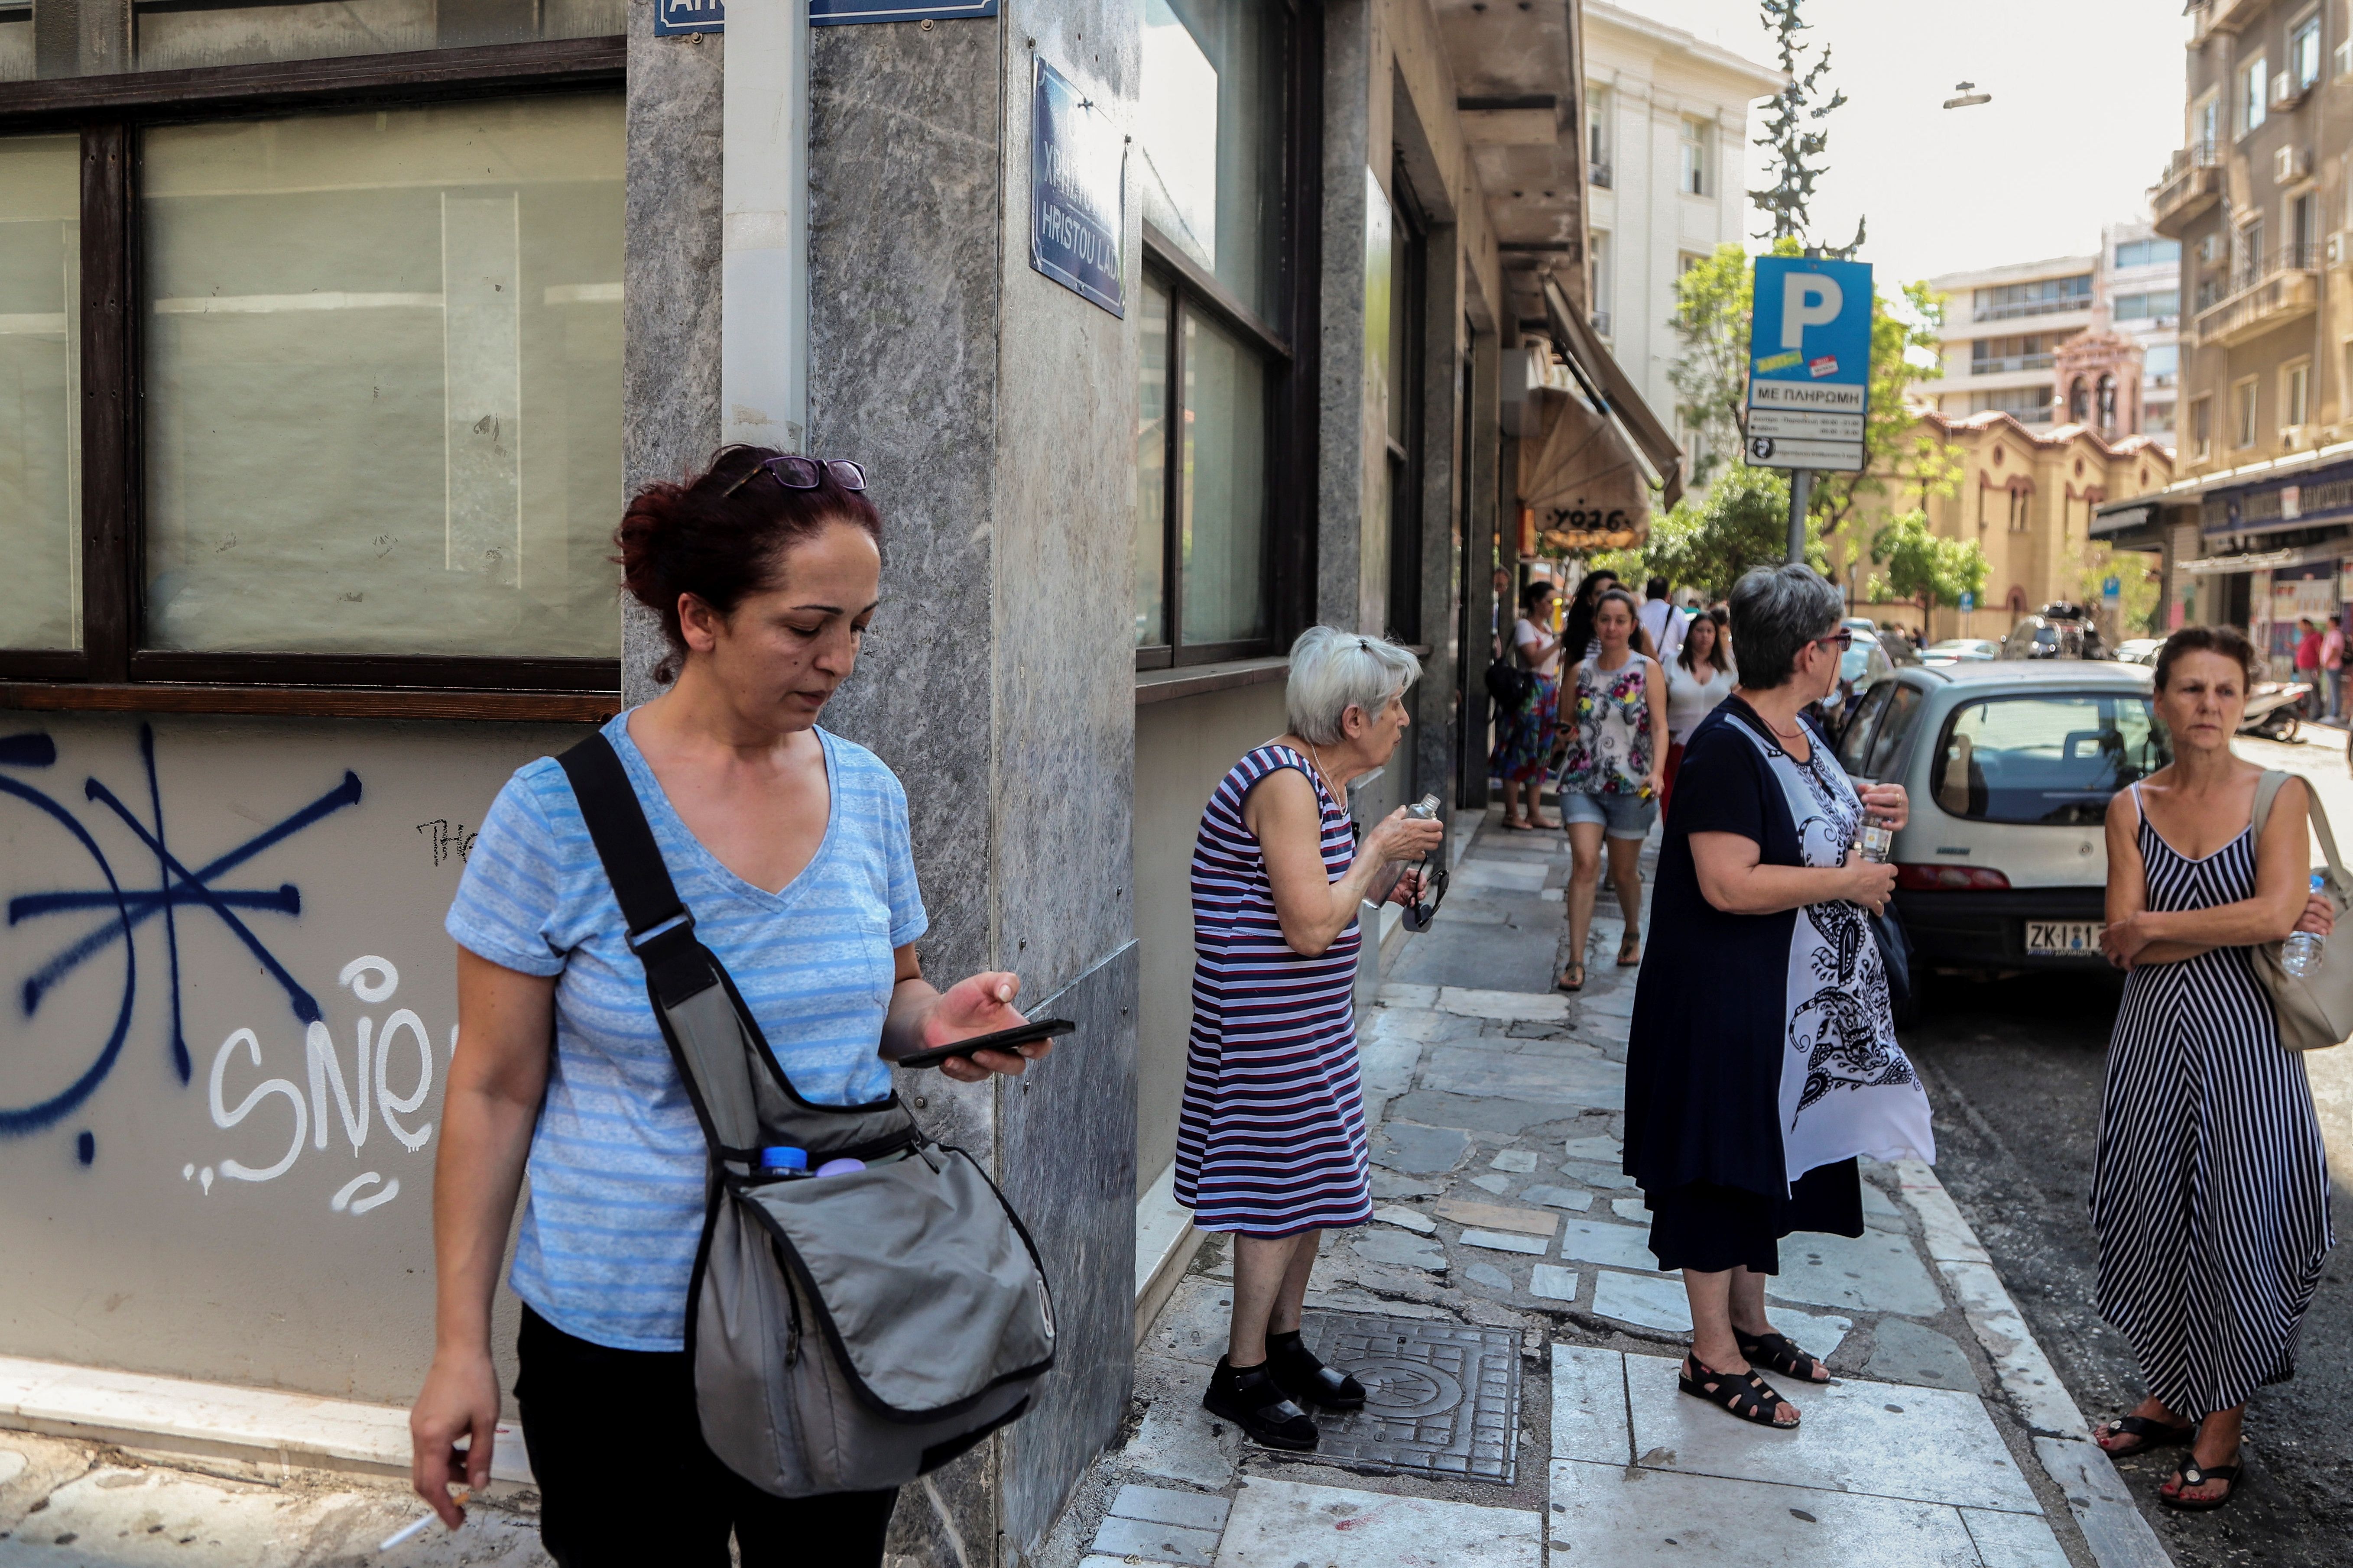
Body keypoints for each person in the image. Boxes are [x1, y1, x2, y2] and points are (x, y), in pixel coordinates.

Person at [409, 448, 1052, 1567]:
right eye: (807, 626)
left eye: (861, 625)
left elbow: (893, 995)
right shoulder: (555, 815)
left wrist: (935, 1021)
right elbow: (492, 1087)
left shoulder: (868, 793)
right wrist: (456, 1345)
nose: (839, 660)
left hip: (831, 1309)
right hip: (618, 1335)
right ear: (698, 616)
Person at [1622, 563, 1933, 1430]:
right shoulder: (1727, 747)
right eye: (1839, 640)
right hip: (1725, 997)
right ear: (1807, 652)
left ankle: (1750, 1325)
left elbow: (1808, 832)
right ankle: (1709, 1353)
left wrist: (1875, 813)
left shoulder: (1799, 732)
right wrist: (1848, 877)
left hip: (1787, 995)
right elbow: (1726, 883)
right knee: (1719, 1166)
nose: (1844, 653)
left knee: (1768, 1160)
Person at [1178, 628, 1446, 1451]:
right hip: (1265, 1024)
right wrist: (1376, 854)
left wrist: (1379, 881)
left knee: (1312, 1181)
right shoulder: (1284, 782)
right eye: (1395, 705)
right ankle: (1241, 1373)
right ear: (1354, 717)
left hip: (1307, 1024)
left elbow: (1324, 897)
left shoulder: (1319, 783)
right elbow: (1304, 927)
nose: (1405, 719)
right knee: (1274, 1188)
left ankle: (1282, 1347)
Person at [2090, 625, 2335, 1513]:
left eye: (2225, 691)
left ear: (2246, 700)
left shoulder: (2281, 793)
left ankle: (2220, 1426)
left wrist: (2162, 926)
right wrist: (2236, 919)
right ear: (2161, 701)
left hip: (2248, 1046)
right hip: (2153, 1042)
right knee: (2155, 1209)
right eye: (2190, 690)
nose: (2208, 707)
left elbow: (2273, 914)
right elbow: (2124, 940)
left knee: (2236, 1223)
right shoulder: (2131, 806)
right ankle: (2166, 1391)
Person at [1555, 588, 1668, 992]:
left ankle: (1633, 930)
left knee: (1623, 873)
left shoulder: (1647, 670)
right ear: (1596, 624)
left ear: (1633, 626)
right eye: (1605, 620)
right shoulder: (1578, 671)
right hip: (1582, 779)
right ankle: (1576, 959)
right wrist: (1561, 735)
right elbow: (1566, 723)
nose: (1612, 627)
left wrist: (1656, 772)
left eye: (1621, 620)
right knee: (1585, 864)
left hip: (1631, 784)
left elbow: (1659, 726)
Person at [1491, 581, 1563, 831]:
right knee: (1519, 751)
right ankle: (1512, 813)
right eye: (1550, 601)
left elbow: (1551, 661)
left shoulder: (1545, 629)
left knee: (1541, 752)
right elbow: (1532, 658)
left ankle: (1534, 812)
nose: (1554, 606)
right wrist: (1558, 643)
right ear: (1536, 602)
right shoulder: (1525, 626)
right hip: (1529, 694)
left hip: (1547, 693)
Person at [1660, 608, 1735, 815]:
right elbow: (1659, 702)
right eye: (1700, 630)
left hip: (1716, 747)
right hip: (1678, 745)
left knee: (1709, 807)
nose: (1705, 636)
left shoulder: (1727, 666)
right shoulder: (1672, 663)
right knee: (1675, 806)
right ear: (1691, 634)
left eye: (1710, 631)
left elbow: (1739, 703)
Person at [1638, 577, 1687, 667]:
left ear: (1646, 594)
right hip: (1666, 669)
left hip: (1640, 667)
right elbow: (1687, 641)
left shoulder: (1636, 614)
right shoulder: (1677, 613)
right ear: (1668, 595)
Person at [2323, 611, 2345, 723]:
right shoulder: (2331, 634)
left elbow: (2335, 650)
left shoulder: (2336, 634)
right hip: (2330, 666)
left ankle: (2335, 713)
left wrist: (2328, 662)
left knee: (2334, 690)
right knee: (2331, 690)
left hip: (2334, 666)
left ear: (2333, 622)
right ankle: (2332, 712)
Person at [2293, 617, 2321, 688]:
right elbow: (2302, 649)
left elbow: (2320, 651)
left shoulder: (2317, 636)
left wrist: (2318, 667)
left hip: (2310, 667)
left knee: (2311, 688)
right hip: (2302, 666)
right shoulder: (2305, 637)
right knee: (2303, 689)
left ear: (2308, 625)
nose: (2300, 629)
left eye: (2302, 626)